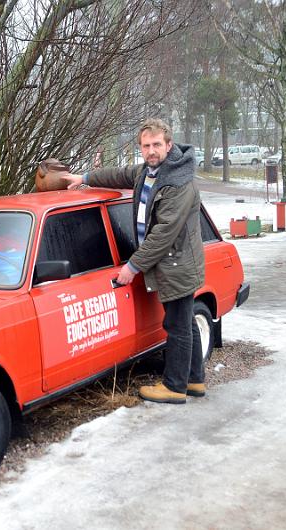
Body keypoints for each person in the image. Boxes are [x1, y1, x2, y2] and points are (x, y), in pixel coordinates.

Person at [61, 118, 206, 404]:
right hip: (172, 262)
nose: (151, 150)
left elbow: (164, 234)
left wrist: (132, 266)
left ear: (169, 145)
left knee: (176, 326)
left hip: (176, 263)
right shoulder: (148, 171)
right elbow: (120, 174)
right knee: (186, 322)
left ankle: (175, 386)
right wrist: (85, 179)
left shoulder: (178, 182)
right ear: (141, 147)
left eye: (156, 145)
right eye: (146, 145)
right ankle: (195, 380)